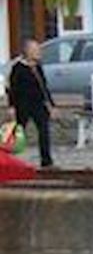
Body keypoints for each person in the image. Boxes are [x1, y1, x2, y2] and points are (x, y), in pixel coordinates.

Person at [7, 38, 55, 169]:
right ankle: (9, 160)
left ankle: (46, 161)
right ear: (27, 51)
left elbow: (43, 87)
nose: (38, 52)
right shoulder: (18, 68)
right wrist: (11, 106)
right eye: (35, 50)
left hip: (38, 104)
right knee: (18, 133)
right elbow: (13, 89)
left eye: (38, 49)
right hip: (23, 105)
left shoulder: (37, 67)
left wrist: (50, 104)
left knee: (44, 131)